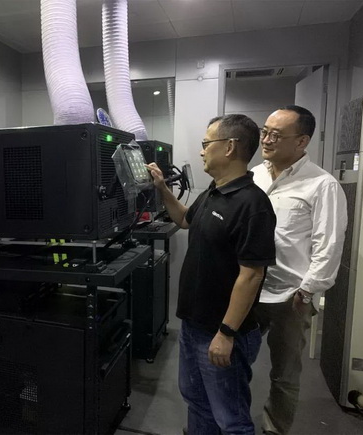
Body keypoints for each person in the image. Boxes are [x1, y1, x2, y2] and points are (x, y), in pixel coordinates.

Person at [147, 114, 276, 435]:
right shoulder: (213, 193)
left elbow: (251, 275)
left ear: (229, 147)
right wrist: (162, 188)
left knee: (231, 419)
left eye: (207, 143)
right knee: (197, 402)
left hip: (221, 332)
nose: (202, 150)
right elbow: (185, 220)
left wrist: (226, 333)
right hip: (194, 325)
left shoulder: (253, 204)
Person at [252, 105, 347, 435]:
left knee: (284, 373)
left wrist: (307, 291)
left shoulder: (322, 185)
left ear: (302, 141)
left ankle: (274, 429)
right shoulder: (255, 175)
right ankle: (231, 421)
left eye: (276, 135)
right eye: (265, 131)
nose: (266, 139)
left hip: (290, 296)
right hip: (250, 287)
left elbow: (328, 243)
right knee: (232, 359)